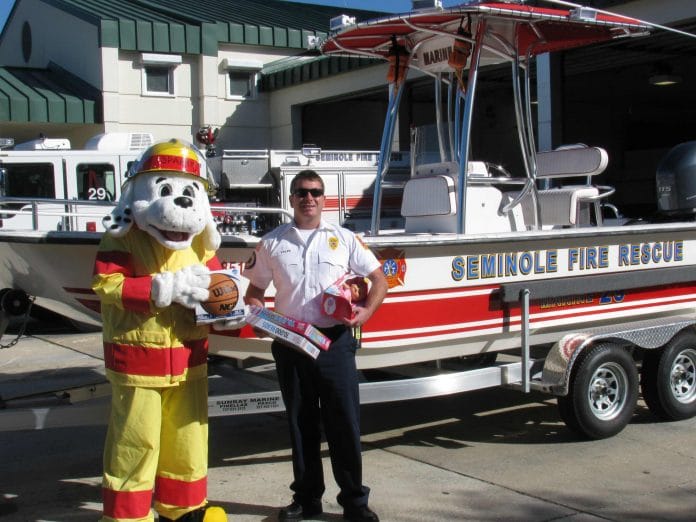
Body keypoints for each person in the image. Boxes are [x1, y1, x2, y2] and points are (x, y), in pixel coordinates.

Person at [92, 140, 232, 522]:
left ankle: (184, 511)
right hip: (138, 362)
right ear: (138, 191)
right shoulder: (123, 236)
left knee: (188, 443)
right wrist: (162, 288)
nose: (181, 203)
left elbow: (217, 286)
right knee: (135, 444)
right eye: (165, 189)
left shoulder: (201, 243)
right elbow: (107, 285)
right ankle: (127, 518)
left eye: (189, 191)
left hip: (190, 362)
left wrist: (226, 309)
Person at [244, 170, 388, 522]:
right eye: (301, 192)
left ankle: (354, 503)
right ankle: (307, 500)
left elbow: (379, 278)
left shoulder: (345, 238)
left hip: (334, 344)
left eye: (315, 192)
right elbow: (253, 292)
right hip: (291, 345)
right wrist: (259, 315)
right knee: (300, 423)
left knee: (345, 424)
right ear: (291, 199)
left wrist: (367, 312)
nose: (309, 198)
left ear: (325, 199)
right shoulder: (272, 243)